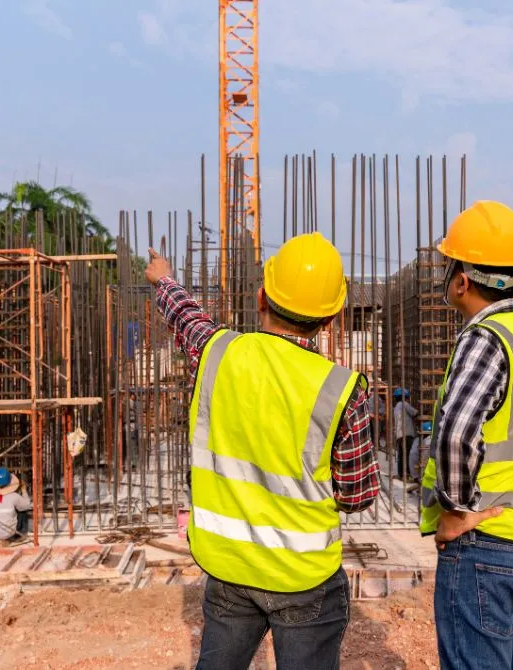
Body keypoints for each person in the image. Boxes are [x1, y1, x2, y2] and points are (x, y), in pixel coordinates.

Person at [145, 232, 380, 670]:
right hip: (304, 578)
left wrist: (164, 279)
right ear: (331, 318)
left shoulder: (219, 353)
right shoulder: (341, 390)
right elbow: (359, 495)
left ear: (261, 298)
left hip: (231, 568)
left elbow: (187, 319)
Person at [418, 201, 513, 669]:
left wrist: (457, 511)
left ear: (462, 281)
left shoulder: (484, 337)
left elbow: (456, 434)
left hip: (486, 545)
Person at [0, 467, 32, 541]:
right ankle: (20, 534)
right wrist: (23, 490)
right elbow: (27, 505)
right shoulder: (14, 496)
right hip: (7, 533)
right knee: (22, 510)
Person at [392, 388, 418, 479]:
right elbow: (415, 413)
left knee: (401, 455)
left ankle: (401, 474)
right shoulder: (404, 404)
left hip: (399, 435)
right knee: (407, 455)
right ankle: (407, 474)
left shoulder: (396, 407)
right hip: (407, 434)